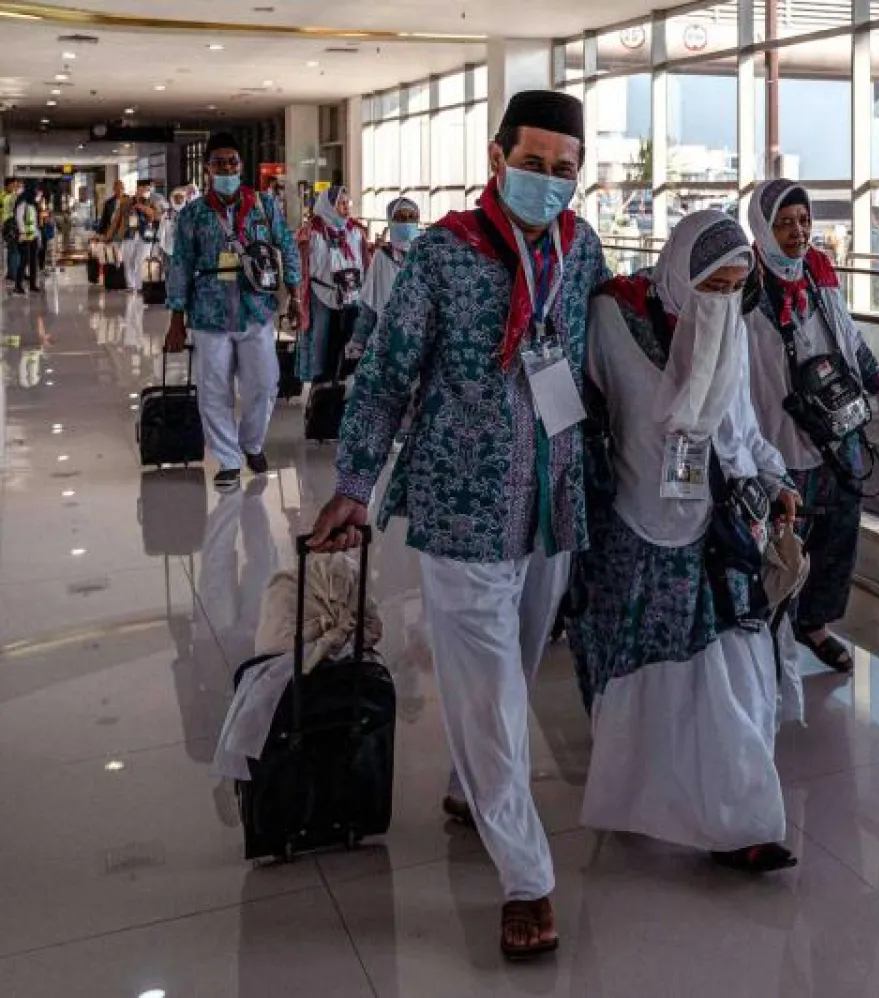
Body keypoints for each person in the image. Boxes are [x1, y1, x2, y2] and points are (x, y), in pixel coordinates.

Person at [307, 90, 608, 962]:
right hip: (464, 504)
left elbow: (597, 350)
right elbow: (386, 375)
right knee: (485, 694)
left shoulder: (579, 248)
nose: (550, 183)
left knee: (511, 672)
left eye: (565, 170)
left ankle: (466, 787)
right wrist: (357, 483)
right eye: (535, 164)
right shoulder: (443, 255)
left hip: (553, 501)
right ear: (496, 156)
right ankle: (526, 877)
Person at [571, 209, 799, 872]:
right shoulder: (613, 321)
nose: (722, 300)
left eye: (734, 287)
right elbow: (585, 413)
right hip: (636, 533)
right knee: (646, 680)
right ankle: (649, 797)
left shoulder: (728, 328)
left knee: (734, 678)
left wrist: (776, 476)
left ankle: (741, 821)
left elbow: (742, 427)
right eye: (712, 285)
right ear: (679, 271)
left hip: (717, 534)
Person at [743, 179, 879, 672]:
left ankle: (813, 624)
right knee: (779, 541)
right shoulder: (745, 285)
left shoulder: (819, 274)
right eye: (784, 223)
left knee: (839, 532)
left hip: (836, 437)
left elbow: (849, 339)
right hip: (776, 435)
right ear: (762, 226)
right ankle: (766, 633)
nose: (797, 232)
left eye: (803, 221)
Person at [165, 132, 304, 491]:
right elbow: (180, 264)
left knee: (265, 383)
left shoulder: (262, 205)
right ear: (208, 169)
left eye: (232, 162)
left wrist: (296, 293)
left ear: (241, 167)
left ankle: (251, 443)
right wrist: (176, 318)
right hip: (209, 312)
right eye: (219, 162)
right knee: (214, 390)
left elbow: (286, 245)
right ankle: (227, 459)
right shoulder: (194, 214)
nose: (226, 168)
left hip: (255, 307)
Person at [299, 185, 366, 384]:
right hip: (322, 293)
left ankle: (344, 378)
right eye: (341, 204)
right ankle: (322, 381)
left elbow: (364, 260)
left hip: (351, 293)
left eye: (348, 203)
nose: (346, 208)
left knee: (349, 338)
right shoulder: (312, 232)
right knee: (323, 338)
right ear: (328, 206)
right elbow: (303, 264)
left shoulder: (355, 231)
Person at [347, 196, 419, 360]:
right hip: (387, 340)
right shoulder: (382, 257)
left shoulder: (425, 256)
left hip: (419, 341)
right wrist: (358, 340)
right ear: (391, 221)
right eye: (400, 218)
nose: (406, 223)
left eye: (411, 218)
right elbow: (369, 304)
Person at [108, 177, 167, 292]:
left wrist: (144, 208)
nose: (145, 191)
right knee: (128, 260)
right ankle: (130, 284)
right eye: (143, 188)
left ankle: (139, 286)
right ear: (138, 189)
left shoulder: (152, 202)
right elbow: (116, 220)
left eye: (147, 189)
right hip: (128, 235)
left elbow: (157, 216)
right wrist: (109, 236)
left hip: (145, 236)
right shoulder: (126, 202)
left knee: (141, 260)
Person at [11, 186, 41, 296]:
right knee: (24, 261)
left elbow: (34, 222)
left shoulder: (32, 206)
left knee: (33, 262)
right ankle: (18, 286)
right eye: (34, 194)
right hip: (23, 238)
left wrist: (38, 235)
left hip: (33, 237)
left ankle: (33, 284)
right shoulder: (22, 205)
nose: (36, 196)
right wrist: (23, 233)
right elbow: (19, 220)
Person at [2, 178, 21, 287]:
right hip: (12, 226)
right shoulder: (12, 197)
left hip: (6, 225)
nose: (15, 187)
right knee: (15, 250)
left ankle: (10, 274)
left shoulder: (4, 196)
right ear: (8, 186)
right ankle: (14, 274)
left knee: (11, 250)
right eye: (14, 185)